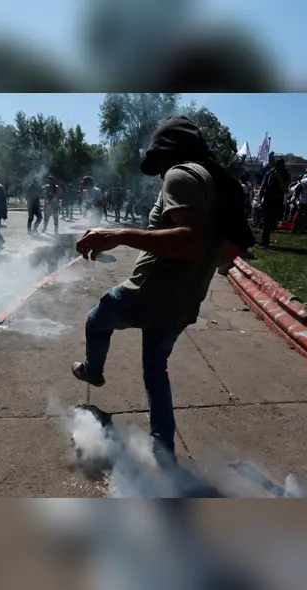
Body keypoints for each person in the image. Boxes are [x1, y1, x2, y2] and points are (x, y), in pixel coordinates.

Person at [70, 116, 255, 468]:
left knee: (97, 319)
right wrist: (194, 269)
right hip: (184, 303)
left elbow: (189, 239)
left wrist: (119, 235)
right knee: (155, 370)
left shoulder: (182, 175)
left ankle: (93, 370)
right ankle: (163, 452)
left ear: (169, 150)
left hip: (146, 293)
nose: (157, 171)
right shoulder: (219, 183)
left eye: (156, 160)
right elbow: (229, 249)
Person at [257, 158, 288, 248]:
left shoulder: (285, 174)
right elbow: (262, 187)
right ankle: (264, 242)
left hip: (277, 200)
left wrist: (279, 178)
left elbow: (284, 189)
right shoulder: (269, 173)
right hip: (268, 199)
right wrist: (260, 200)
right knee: (266, 221)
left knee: (271, 222)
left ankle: (265, 240)